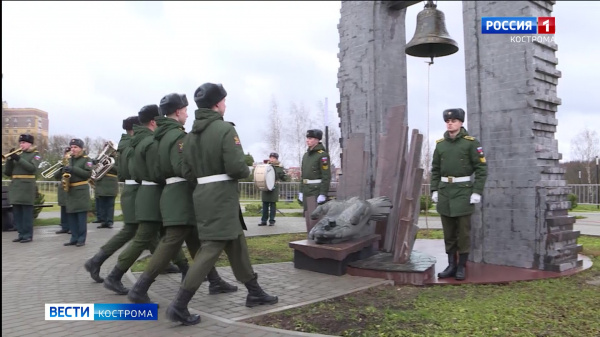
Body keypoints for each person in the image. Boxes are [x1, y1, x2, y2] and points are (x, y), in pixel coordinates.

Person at [167, 82, 278, 326]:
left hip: (204, 196)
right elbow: (237, 167)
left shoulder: (190, 137)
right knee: (210, 249)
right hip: (222, 197)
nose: (226, 105)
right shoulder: (225, 130)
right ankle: (179, 304)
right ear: (217, 104)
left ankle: (254, 290)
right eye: (224, 101)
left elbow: (186, 170)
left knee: (236, 242)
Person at [128, 92, 237, 305]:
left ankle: (214, 280)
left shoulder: (158, 135)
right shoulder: (178, 136)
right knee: (171, 242)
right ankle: (140, 287)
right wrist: (202, 176)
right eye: (186, 111)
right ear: (177, 111)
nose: (187, 115)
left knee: (196, 240)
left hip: (172, 193)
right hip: (182, 195)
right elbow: (183, 168)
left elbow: (158, 171)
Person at [103, 106, 188, 295]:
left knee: (168, 237)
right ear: (153, 122)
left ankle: (186, 269)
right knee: (144, 238)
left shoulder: (139, 141)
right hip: (151, 194)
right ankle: (115, 275)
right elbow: (155, 172)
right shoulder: (149, 142)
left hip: (147, 193)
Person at [84, 116, 168, 283]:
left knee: (146, 232)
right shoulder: (132, 144)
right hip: (137, 190)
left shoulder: (124, 145)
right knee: (134, 231)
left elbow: (121, 173)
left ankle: (167, 263)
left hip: (131, 190)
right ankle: (98, 262)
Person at [430, 108, 487, 281]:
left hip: (463, 192)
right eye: (448, 121)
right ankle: (451, 265)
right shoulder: (440, 145)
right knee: (448, 232)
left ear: (461, 123)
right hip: (445, 192)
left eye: (454, 120)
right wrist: (434, 190)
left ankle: (461, 265)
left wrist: (476, 191)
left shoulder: (471, 143)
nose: (450, 123)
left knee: (463, 233)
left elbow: (481, 169)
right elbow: (435, 170)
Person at [4, 134, 41, 243]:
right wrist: (10, 160)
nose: (21, 145)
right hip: (16, 186)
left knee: (26, 214)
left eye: (24, 143)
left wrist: (18, 159)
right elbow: (7, 172)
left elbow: (32, 168)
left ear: (30, 143)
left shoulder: (36, 155)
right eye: (20, 143)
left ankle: (28, 235)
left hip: (27, 187)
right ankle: (21, 233)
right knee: (17, 213)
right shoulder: (18, 154)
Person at [299, 129, 331, 232]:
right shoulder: (306, 155)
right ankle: (310, 236)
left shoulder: (322, 155)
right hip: (306, 190)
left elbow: (326, 176)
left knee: (316, 216)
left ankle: (318, 236)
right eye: (307, 138)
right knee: (307, 215)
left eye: (310, 138)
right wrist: (300, 190)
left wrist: (323, 193)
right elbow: (303, 175)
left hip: (316, 191)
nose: (307, 140)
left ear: (317, 140)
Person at [63, 138, 93, 247]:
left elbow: (87, 174)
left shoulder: (86, 159)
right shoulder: (69, 159)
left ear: (81, 148)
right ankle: (73, 238)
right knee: (71, 216)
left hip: (81, 190)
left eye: (75, 147)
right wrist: (63, 168)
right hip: (71, 190)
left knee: (81, 217)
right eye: (71, 147)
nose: (73, 149)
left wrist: (73, 169)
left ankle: (81, 239)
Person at [92, 145, 119, 229]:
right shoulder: (100, 158)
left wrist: (108, 164)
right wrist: (97, 162)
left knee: (110, 205)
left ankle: (109, 222)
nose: (108, 150)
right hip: (101, 183)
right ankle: (103, 221)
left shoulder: (117, 159)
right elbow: (93, 168)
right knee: (102, 204)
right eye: (106, 148)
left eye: (110, 149)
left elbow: (119, 170)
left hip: (111, 183)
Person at [258, 152, 287, 226]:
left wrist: (283, 174)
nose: (271, 159)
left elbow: (284, 178)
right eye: (271, 158)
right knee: (265, 204)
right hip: (266, 186)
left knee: (272, 205)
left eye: (273, 158)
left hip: (274, 187)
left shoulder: (279, 167)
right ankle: (263, 221)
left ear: (276, 159)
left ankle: (272, 220)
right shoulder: (266, 166)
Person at [54, 147, 71, 234]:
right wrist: (61, 168)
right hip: (63, 187)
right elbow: (56, 176)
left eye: (69, 153)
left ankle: (71, 227)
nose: (67, 155)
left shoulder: (73, 163)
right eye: (66, 153)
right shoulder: (62, 164)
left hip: (70, 188)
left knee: (70, 209)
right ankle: (64, 227)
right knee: (63, 208)